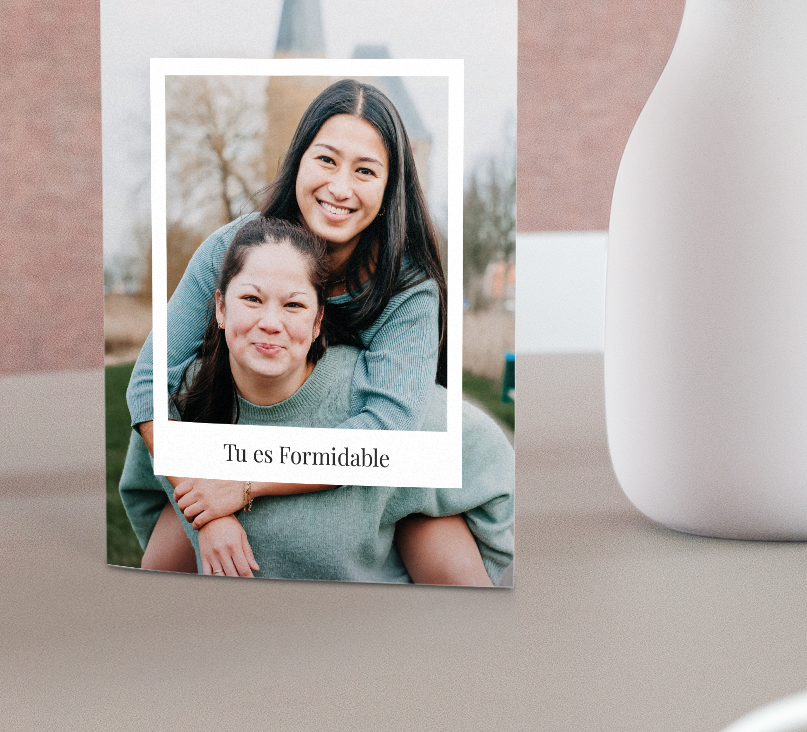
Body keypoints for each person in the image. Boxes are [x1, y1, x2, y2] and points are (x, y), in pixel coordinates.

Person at [128, 79, 446, 559]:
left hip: (365, 481)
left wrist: (246, 482)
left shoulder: (407, 289)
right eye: (326, 160)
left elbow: (388, 429)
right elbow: (149, 384)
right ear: (298, 160)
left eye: (365, 170)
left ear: (389, 188)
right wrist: (210, 508)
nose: (339, 187)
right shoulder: (231, 248)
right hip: (233, 437)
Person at [119, 215, 513, 585]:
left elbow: (481, 453)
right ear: (220, 307)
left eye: (293, 305)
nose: (270, 323)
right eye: (252, 299)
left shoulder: (377, 401)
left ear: (318, 321)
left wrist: (246, 482)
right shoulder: (184, 403)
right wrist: (206, 519)